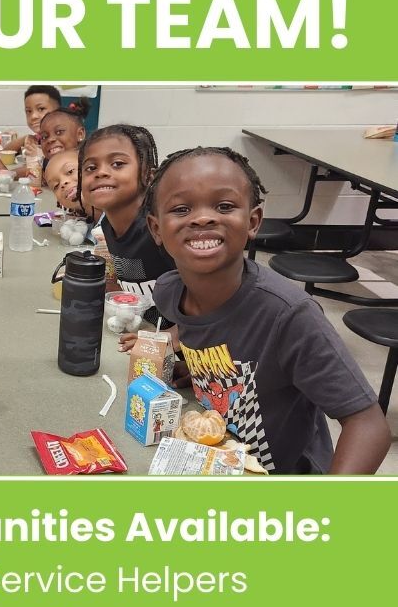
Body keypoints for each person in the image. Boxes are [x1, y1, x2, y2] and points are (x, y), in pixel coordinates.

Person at [145, 146, 389, 474]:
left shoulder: (289, 315)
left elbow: (369, 424)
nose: (203, 217)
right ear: (156, 228)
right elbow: (223, 339)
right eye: (181, 208)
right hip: (222, 461)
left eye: (225, 205)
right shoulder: (170, 291)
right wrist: (202, 370)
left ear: (253, 221)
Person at [78, 124, 176, 328]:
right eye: (90, 168)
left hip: (193, 347)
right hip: (146, 330)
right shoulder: (107, 225)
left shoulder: (160, 229)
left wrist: (174, 337)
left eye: (117, 164)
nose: (101, 172)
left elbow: (208, 295)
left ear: (149, 176)